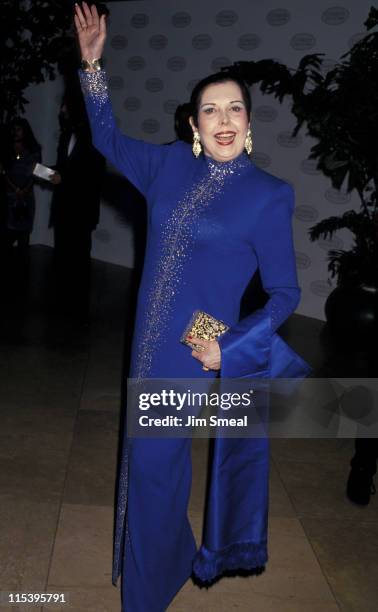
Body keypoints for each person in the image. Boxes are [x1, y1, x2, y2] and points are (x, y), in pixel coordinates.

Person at [74, 3, 310, 610]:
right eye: (211, 109)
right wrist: (92, 65)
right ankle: (172, 556)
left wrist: (229, 347)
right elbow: (104, 137)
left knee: (153, 467)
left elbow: (286, 292)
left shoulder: (268, 196)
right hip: (143, 343)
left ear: (249, 123)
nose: (223, 119)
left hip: (193, 351)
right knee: (160, 468)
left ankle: (145, 596)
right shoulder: (167, 165)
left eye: (235, 108)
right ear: (193, 124)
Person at [49, 87, 105, 322]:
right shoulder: (65, 135)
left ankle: (77, 307)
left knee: (79, 258)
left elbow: (94, 174)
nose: (61, 109)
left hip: (81, 210)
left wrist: (66, 178)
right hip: (62, 207)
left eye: (65, 105)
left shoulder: (94, 137)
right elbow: (66, 167)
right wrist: (51, 173)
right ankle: (61, 302)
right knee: (62, 255)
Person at [1, 118, 41, 259]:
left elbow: (36, 173)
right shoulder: (6, 148)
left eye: (18, 129)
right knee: (7, 236)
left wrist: (24, 190)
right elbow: (4, 172)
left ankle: (22, 273)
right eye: (13, 129)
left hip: (26, 197)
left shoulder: (33, 149)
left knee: (24, 237)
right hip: (10, 197)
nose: (15, 132)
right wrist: (15, 189)